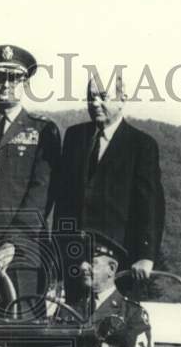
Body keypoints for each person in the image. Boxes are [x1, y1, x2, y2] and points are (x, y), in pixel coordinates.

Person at [0, 44, 60, 320]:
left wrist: (13, 243)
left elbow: (41, 195)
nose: (5, 84)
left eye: (13, 78)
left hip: (24, 253)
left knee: (24, 334)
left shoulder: (42, 131)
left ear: (25, 83)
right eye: (0, 77)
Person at [54, 73, 165, 304]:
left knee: (115, 329)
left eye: (103, 97)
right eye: (90, 97)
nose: (95, 103)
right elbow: (63, 200)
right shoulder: (74, 137)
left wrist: (146, 256)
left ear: (122, 98)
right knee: (76, 325)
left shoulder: (142, 145)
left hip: (120, 262)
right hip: (76, 258)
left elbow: (151, 205)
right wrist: (59, 249)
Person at [77, 232, 153, 347]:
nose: (83, 267)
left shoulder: (132, 313)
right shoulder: (72, 308)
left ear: (111, 268)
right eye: (83, 261)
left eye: (91, 262)